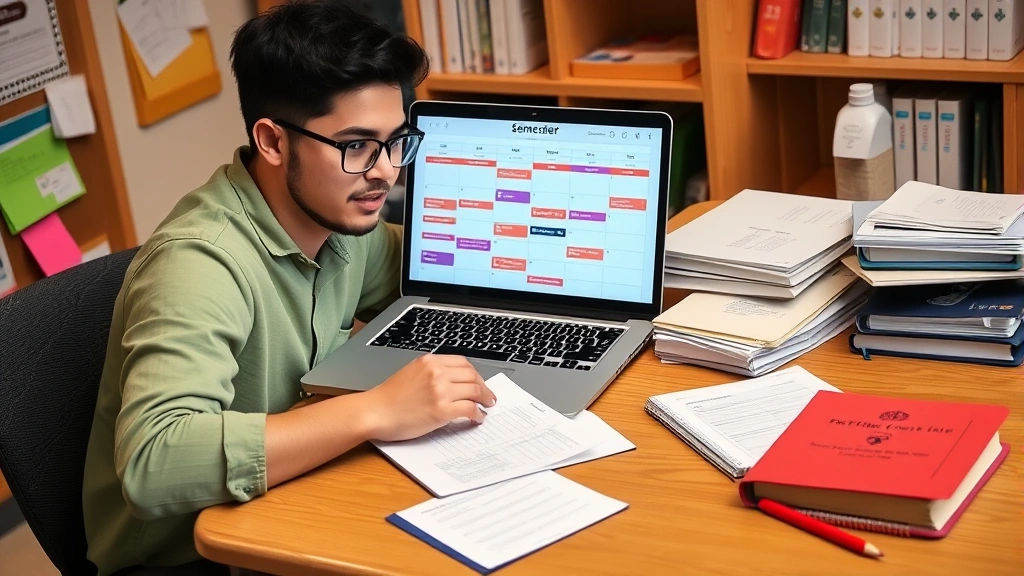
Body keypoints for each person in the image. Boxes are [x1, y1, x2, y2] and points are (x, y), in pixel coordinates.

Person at [81, 2, 496, 574]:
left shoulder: (342, 221)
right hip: (194, 555)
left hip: (292, 495)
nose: (385, 171)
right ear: (273, 142)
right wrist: (373, 411)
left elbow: (429, 273)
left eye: (398, 141)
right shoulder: (198, 265)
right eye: (356, 146)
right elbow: (152, 465)